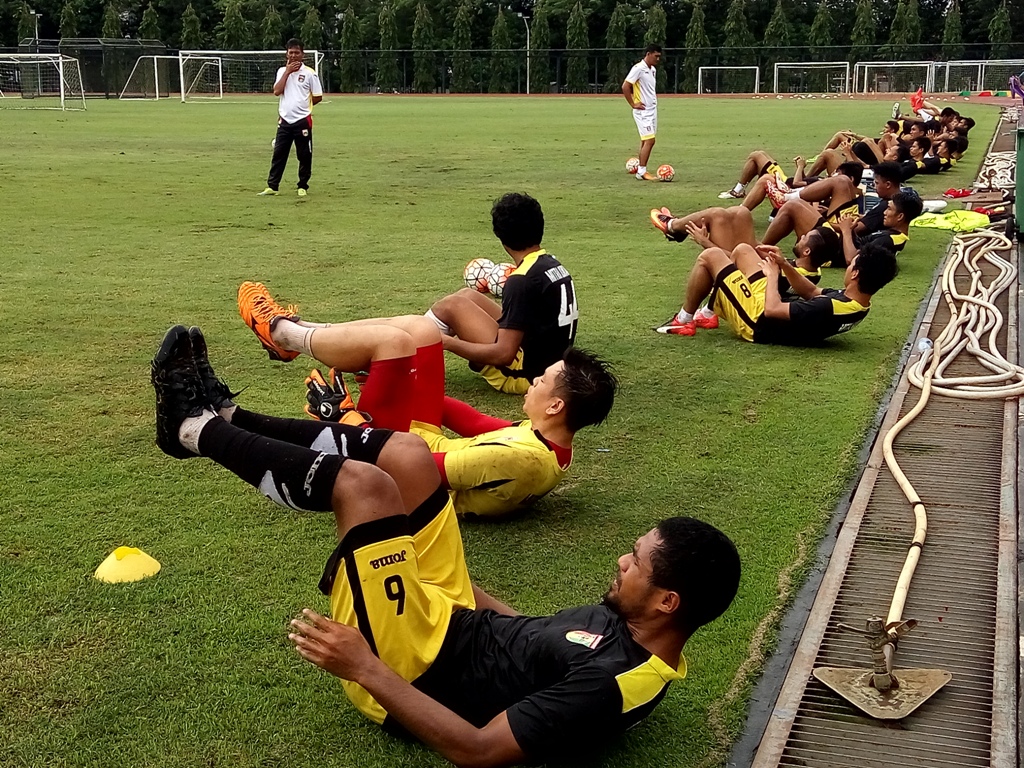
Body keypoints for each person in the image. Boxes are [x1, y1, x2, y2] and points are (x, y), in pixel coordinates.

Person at [150, 324, 741, 767]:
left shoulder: (614, 683)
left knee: (365, 486)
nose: (621, 560)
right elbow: (535, 635)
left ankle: (192, 430)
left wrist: (365, 667)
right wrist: (451, 584)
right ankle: (227, 413)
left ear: (668, 601)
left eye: (636, 561)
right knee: (406, 456)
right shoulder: (628, 626)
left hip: (410, 666)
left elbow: (480, 750)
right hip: (447, 613)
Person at [235, 282, 618, 517]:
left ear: (556, 406)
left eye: (544, 381)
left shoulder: (518, 458)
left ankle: (286, 335)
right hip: (417, 440)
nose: (534, 380)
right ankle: (299, 333)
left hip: (396, 462)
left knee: (394, 343)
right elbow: (471, 421)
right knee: (424, 332)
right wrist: (406, 379)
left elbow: (410, 469)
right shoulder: (548, 443)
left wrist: (351, 422)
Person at [426, 193, 579, 395]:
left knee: (451, 306)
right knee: (467, 296)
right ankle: (411, 346)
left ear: (501, 236)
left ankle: (405, 355)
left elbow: (504, 355)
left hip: (530, 376)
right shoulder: (551, 263)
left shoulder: (521, 279)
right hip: (554, 363)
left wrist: (449, 343)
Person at [654, 239, 897, 343]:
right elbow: (811, 291)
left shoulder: (829, 308)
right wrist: (782, 265)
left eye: (852, 263)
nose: (849, 265)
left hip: (758, 323)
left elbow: (772, 309)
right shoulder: (858, 301)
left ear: (855, 274)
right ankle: (707, 315)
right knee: (742, 250)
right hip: (769, 310)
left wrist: (772, 276)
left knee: (711, 256)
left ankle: (684, 320)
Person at [258, 38, 323, 198]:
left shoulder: (309, 74)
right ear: (286, 54)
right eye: (291, 52)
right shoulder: (281, 71)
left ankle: (302, 186)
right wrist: (287, 72)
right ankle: (272, 186)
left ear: (302, 54)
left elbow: (318, 96)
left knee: (304, 155)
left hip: (302, 120)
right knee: (279, 154)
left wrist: (303, 106)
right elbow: (277, 91)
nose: (293, 55)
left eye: (297, 53)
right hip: (285, 120)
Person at [622, 45, 663, 181]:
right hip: (643, 112)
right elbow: (625, 86)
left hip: (652, 110)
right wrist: (633, 103)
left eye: (659, 56)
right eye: (656, 56)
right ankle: (642, 172)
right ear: (648, 54)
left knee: (646, 140)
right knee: (650, 140)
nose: (658, 59)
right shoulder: (638, 68)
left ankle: (641, 168)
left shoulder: (652, 70)